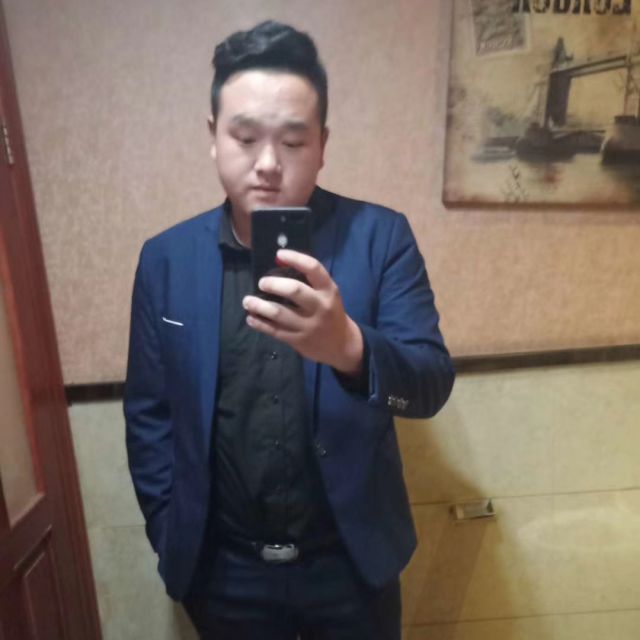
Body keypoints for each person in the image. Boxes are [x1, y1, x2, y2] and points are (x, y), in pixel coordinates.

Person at [124, 20, 455, 640]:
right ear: (213, 136)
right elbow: (149, 413)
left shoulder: (381, 238)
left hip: (351, 564)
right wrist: (170, 528)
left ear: (323, 144)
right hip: (223, 571)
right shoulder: (165, 259)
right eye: (245, 137)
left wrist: (349, 348)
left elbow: (431, 384)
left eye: (295, 142)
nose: (269, 165)